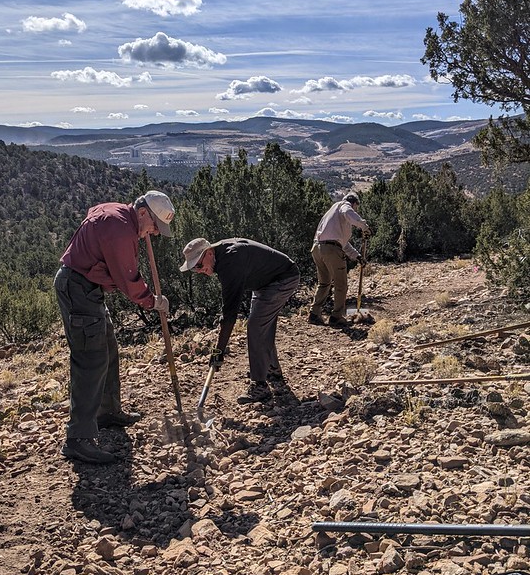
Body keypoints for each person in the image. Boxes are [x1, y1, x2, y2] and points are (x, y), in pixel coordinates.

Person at [54, 191, 175, 464]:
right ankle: (78, 439)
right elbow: (128, 279)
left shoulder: (116, 214)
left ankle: (106, 413)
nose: (154, 234)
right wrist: (153, 302)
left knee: (107, 349)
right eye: (155, 226)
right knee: (90, 359)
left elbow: (92, 215)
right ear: (143, 213)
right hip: (78, 288)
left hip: (86, 287)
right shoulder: (120, 229)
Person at [180, 237, 300, 404]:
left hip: (283, 278)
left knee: (255, 326)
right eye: (194, 269)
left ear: (208, 253)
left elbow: (229, 315)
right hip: (266, 282)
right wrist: (219, 350)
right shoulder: (222, 256)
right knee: (261, 324)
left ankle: (260, 385)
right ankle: (272, 370)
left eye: (198, 265)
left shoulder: (229, 263)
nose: (199, 271)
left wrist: (219, 351)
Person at [309, 192, 370, 327]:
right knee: (341, 285)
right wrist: (364, 226)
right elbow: (349, 214)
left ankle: (314, 313)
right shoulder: (344, 206)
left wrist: (357, 256)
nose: (355, 210)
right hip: (331, 250)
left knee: (324, 283)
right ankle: (336, 317)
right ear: (354, 203)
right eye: (356, 207)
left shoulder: (333, 212)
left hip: (318, 248)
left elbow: (343, 243)